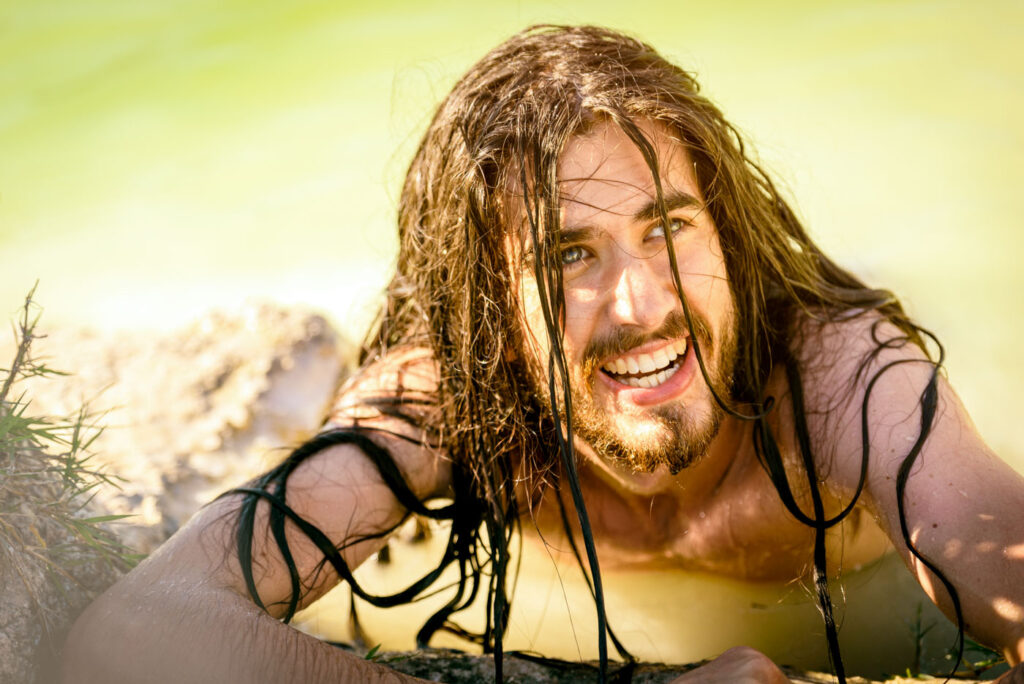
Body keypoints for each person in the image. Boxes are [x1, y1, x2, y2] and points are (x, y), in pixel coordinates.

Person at [61, 25, 1024, 683]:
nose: (641, 306)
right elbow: (134, 631)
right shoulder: (450, 399)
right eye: (569, 255)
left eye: (669, 229)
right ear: (488, 309)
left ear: (723, 232)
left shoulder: (840, 380)